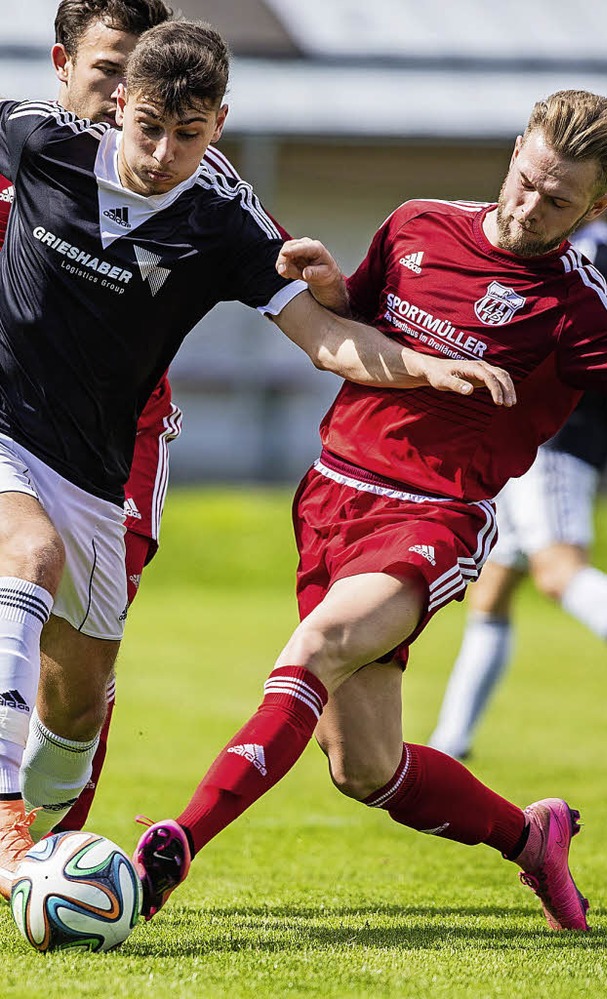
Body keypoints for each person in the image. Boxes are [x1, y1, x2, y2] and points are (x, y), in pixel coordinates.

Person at [0, 20, 511, 896]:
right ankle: (6, 818)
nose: (162, 153)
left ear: (220, 124)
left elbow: (325, 340)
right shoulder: (40, 139)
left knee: (77, 715)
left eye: (188, 135)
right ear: (119, 103)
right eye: (148, 126)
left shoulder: (222, 220)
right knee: (26, 556)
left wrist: (427, 364)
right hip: (8, 429)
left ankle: (41, 827)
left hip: (92, 469)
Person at [132, 89, 607, 935]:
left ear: (598, 207)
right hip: (329, 492)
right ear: (516, 150)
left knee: (318, 646)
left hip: (432, 515)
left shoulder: (576, 306)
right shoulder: (417, 223)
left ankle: (176, 847)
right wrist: (334, 289)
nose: (529, 208)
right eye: (526, 180)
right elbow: (360, 329)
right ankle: (532, 835)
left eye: (558, 202)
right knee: (363, 767)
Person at [429, 219, 607, 760]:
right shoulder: (597, 247)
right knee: (493, 590)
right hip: (534, 438)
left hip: (559, 435)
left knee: (558, 571)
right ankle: (451, 743)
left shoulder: (590, 251)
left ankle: (450, 743)